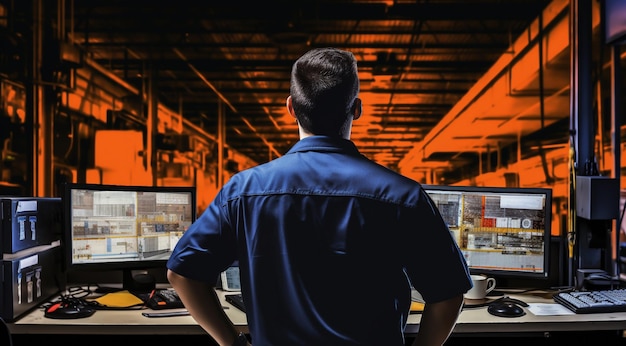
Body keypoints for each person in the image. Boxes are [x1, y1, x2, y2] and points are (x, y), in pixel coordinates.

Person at [166, 47, 472, 346]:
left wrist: (232, 343)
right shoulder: (402, 196)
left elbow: (183, 275)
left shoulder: (242, 191)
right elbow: (447, 296)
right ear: (357, 109)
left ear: (290, 108)